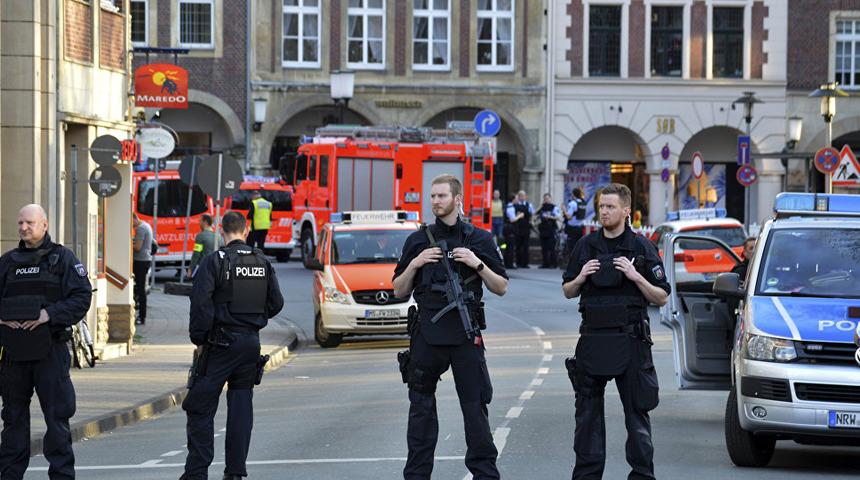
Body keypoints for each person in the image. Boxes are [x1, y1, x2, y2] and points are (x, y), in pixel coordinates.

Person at [393, 174, 509, 480]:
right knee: (421, 410)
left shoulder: (479, 239)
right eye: (432, 196)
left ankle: (485, 474)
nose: (435, 201)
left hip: (465, 335)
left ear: (457, 199)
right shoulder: (417, 240)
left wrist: (476, 263)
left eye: (441, 196)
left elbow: (501, 287)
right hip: (427, 336)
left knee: (475, 410)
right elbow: (399, 289)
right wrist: (416, 263)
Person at [562, 184, 670, 480]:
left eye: (610, 207)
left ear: (626, 210)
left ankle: (642, 475)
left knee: (637, 415)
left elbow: (661, 296)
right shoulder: (586, 246)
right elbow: (568, 291)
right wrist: (581, 276)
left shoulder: (641, 247)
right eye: (601, 206)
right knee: (587, 418)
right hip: (592, 339)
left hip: (631, 340)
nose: (604, 212)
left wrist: (636, 277)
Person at [181, 211, 284, 480]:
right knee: (241, 409)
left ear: (221, 230)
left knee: (200, 406)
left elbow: (200, 303)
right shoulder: (262, 262)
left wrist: (200, 338)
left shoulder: (215, 261)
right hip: (250, 345)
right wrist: (253, 320)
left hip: (219, 345)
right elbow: (277, 303)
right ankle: (235, 473)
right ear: (246, 231)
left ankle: (196, 473)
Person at [0, 204, 92, 479]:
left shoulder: (62, 259)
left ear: (44, 224)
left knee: (57, 419)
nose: (23, 227)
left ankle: (62, 475)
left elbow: (81, 298)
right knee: (13, 420)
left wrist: (48, 314)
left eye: (29, 222)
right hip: (14, 354)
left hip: (50, 350)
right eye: (20, 223)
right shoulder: (7, 262)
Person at [132, 213, 154, 325]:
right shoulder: (147, 225)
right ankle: (141, 315)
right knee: (140, 289)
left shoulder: (141, 229)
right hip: (145, 260)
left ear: (134, 218)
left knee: (140, 289)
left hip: (140, 261)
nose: (131, 225)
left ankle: (141, 316)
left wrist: (128, 243)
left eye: (131, 222)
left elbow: (138, 247)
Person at [188, 214, 219, 279]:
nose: (199, 223)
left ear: (205, 222)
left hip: (203, 268)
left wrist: (191, 268)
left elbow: (196, 254)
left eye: (200, 221)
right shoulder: (218, 236)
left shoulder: (200, 236)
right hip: (216, 268)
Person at [537, 193, 562, 268]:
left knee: (551, 247)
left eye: (547, 198)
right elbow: (534, 214)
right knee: (544, 247)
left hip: (551, 229)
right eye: (545, 199)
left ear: (550, 199)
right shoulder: (542, 207)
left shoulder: (554, 207)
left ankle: (553, 263)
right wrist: (539, 207)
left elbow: (558, 217)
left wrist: (550, 217)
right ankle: (545, 263)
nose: (546, 200)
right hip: (543, 229)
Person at [564, 188, 587, 263]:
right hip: (580, 227)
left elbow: (568, 217)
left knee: (571, 246)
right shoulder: (583, 203)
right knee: (579, 246)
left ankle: (572, 263)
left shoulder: (573, 203)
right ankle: (579, 262)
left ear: (573, 195)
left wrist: (564, 210)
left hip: (572, 228)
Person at [513, 190, 535, 269]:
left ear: (525, 197)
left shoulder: (529, 205)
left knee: (526, 246)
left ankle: (525, 263)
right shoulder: (515, 205)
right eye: (520, 196)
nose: (522, 197)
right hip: (518, 227)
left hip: (526, 227)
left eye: (523, 196)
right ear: (518, 197)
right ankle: (518, 262)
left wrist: (532, 221)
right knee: (518, 246)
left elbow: (532, 214)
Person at [502, 194, 519, 269]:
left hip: (507, 229)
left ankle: (507, 263)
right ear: (513, 199)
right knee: (510, 247)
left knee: (508, 246)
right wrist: (519, 216)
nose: (517, 200)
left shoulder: (508, 206)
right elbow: (512, 220)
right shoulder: (511, 207)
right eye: (516, 198)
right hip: (510, 229)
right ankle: (509, 264)